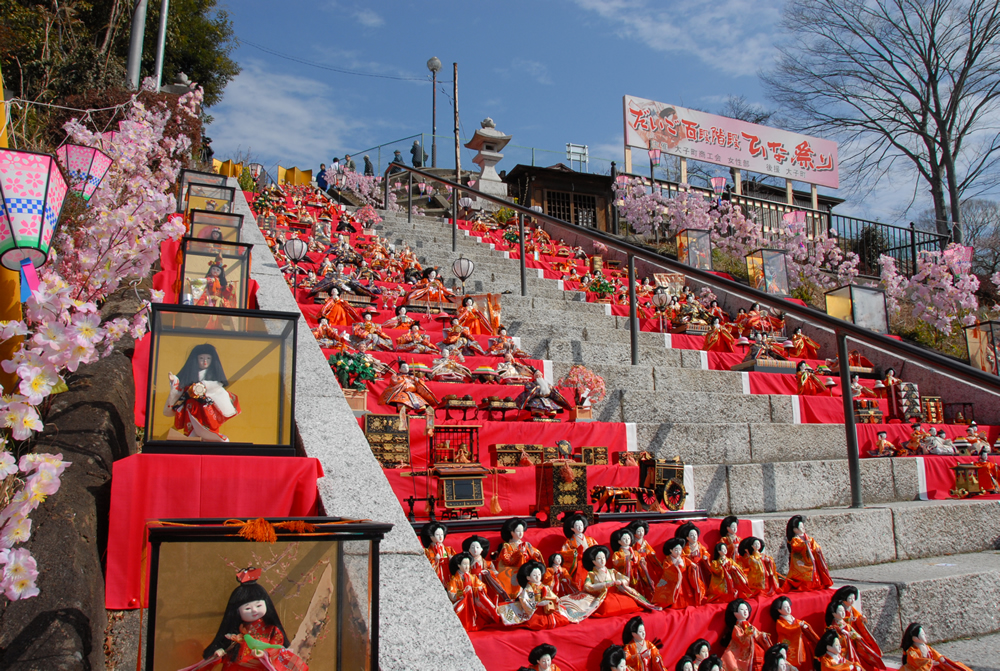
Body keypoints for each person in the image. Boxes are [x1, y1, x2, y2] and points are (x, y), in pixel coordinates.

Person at [200, 567, 308, 671]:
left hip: (261, 667)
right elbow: (225, 650)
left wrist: (266, 653)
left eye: (258, 606)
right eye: (247, 608)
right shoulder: (235, 632)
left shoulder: (271, 630)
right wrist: (218, 653)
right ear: (236, 611)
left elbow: (279, 648)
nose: (254, 611)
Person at [164, 344, 241, 442]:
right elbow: (180, 385)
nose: (205, 361)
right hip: (192, 405)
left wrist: (204, 385)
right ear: (196, 359)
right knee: (192, 428)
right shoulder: (190, 374)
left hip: (207, 407)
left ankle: (212, 439)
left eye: (208, 358)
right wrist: (174, 380)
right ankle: (191, 438)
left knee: (209, 426)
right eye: (201, 358)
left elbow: (217, 387)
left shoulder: (214, 377)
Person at [446, 552, 498, 631]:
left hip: (472, 599)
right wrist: (463, 592)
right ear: (458, 565)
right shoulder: (455, 580)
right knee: (459, 611)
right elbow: (452, 595)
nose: (467, 566)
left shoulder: (472, 577)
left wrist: (480, 588)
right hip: (463, 601)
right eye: (464, 564)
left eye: (468, 564)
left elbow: (481, 585)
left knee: (484, 605)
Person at [783, 515, 833, 591]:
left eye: (803, 527)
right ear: (795, 529)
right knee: (804, 572)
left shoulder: (808, 538)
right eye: (801, 527)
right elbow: (796, 547)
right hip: (800, 561)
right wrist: (805, 544)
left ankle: (816, 584)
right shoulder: (795, 540)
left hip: (810, 558)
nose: (803, 529)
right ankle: (805, 585)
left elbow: (815, 545)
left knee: (814, 570)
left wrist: (817, 549)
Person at [720, 598, 772, 671]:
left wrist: (762, 635)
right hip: (745, 650)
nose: (745, 612)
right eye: (742, 610)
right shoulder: (737, 628)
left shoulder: (750, 625)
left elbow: (757, 634)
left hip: (755, 648)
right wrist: (748, 634)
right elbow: (739, 639)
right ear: (735, 613)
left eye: (746, 610)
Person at [652, 538, 704, 609]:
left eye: (680, 549)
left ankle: (687, 603)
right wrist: (675, 566)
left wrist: (693, 565)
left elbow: (689, 563)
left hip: (685, 578)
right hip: (675, 581)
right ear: (670, 550)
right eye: (676, 550)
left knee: (686, 593)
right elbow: (667, 571)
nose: (678, 552)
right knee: (678, 593)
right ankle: (676, 605)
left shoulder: (683, 558)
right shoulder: (667, 561)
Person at [899, 623, 973, 671]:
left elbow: (935, 654)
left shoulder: (927, 647)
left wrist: (941, 658)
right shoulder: (912, 651)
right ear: (915, 638)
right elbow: (915, 660)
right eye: (922, 635)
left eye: (924, 634)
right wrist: (929, 662)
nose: (925, 636)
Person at [560, 512, 599, 591]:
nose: (580, 527)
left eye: (581, 525)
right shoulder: (569, 542)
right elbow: (564, 553)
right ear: (572, 528)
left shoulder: (590, 539)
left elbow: (596, 549)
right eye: (577, 526)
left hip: (590, 562)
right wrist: (574, 554)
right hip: (577, 564)